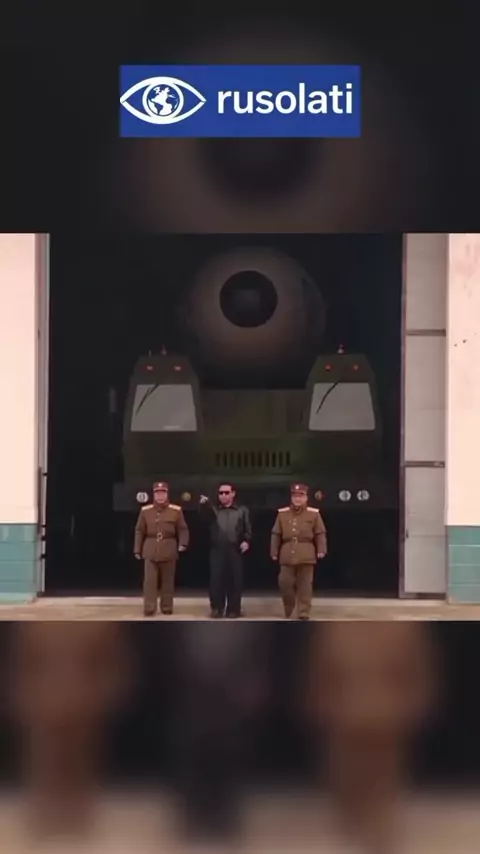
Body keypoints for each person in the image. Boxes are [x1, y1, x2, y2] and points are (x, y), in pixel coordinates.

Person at [270, 483, 327, 620]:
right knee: (284, 582)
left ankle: (303, 611)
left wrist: (321, 549)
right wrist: (274, 551)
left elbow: (320, 533)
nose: (297, 499)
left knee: (305, 584)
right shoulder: (282, 514)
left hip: (306, 552)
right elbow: (276, 534)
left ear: (306, 498)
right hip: (287, 552)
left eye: (301, 496)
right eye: (295, 496)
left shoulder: (313, 514)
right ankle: (289, 607)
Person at [134, 481, 189, 617]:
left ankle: (167, 607)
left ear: (167, 494)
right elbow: (139, 530)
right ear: (153, 494)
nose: (160, 496)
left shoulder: (176, 510)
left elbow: (183, 529)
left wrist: (183, 543)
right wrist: (137, 549)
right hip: (150, 548)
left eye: (163, 493)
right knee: (149, 582)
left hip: (169, 548)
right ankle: (149, 607)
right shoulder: (145, 511)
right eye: (157, 493)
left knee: (167, 581)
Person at [199, 484, 251, 619]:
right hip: (217, 549)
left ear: (233, 493)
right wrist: (204, 505)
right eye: (221, 493)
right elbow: (205, 516)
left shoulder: (242, 510)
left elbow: (247, 529)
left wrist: (246, 541)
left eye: (226, 493)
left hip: (235, 549)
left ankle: (234, 609)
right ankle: (217, 608)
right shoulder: (214, 510)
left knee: (235, 581)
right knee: (216, 580)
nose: (223, 495)